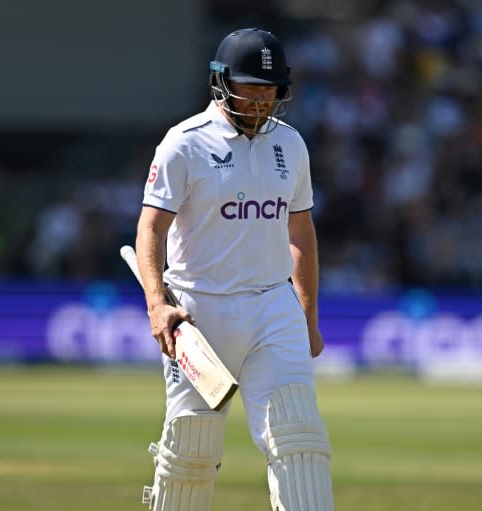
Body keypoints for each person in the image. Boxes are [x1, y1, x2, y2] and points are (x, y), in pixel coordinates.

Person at [134, 28, 334, 510]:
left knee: (298, 437)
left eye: (271, 88)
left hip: (272, 305)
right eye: (252, 86)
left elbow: (300, 234)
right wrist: (158, 305)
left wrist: (306, 317)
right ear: (221, 81)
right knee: (192, 449)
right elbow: (150, 229)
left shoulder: (291, 145)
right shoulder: (183, 144)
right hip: (200, 311)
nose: (263, 99)